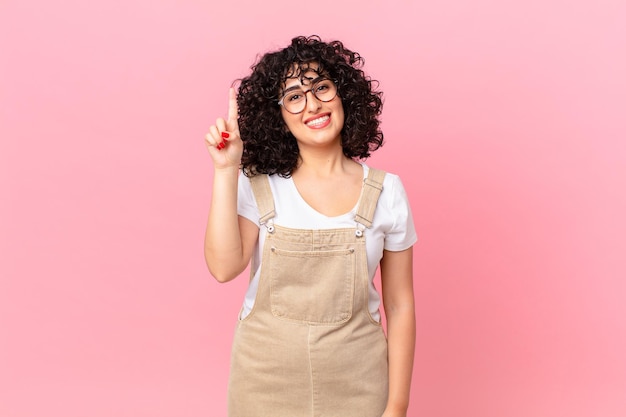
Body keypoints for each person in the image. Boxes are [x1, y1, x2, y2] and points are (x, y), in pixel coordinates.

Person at [204, 35, 417, 417]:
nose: (313, 104)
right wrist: (226, 170)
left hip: (359, 384)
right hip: (263, 386)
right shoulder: (258, 184)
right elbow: (223, 268)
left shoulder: (387, 191)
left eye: (321, 87)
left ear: (344, 95)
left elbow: (400, 305)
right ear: (278, 116)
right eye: (294, 96)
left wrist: (397, 405)